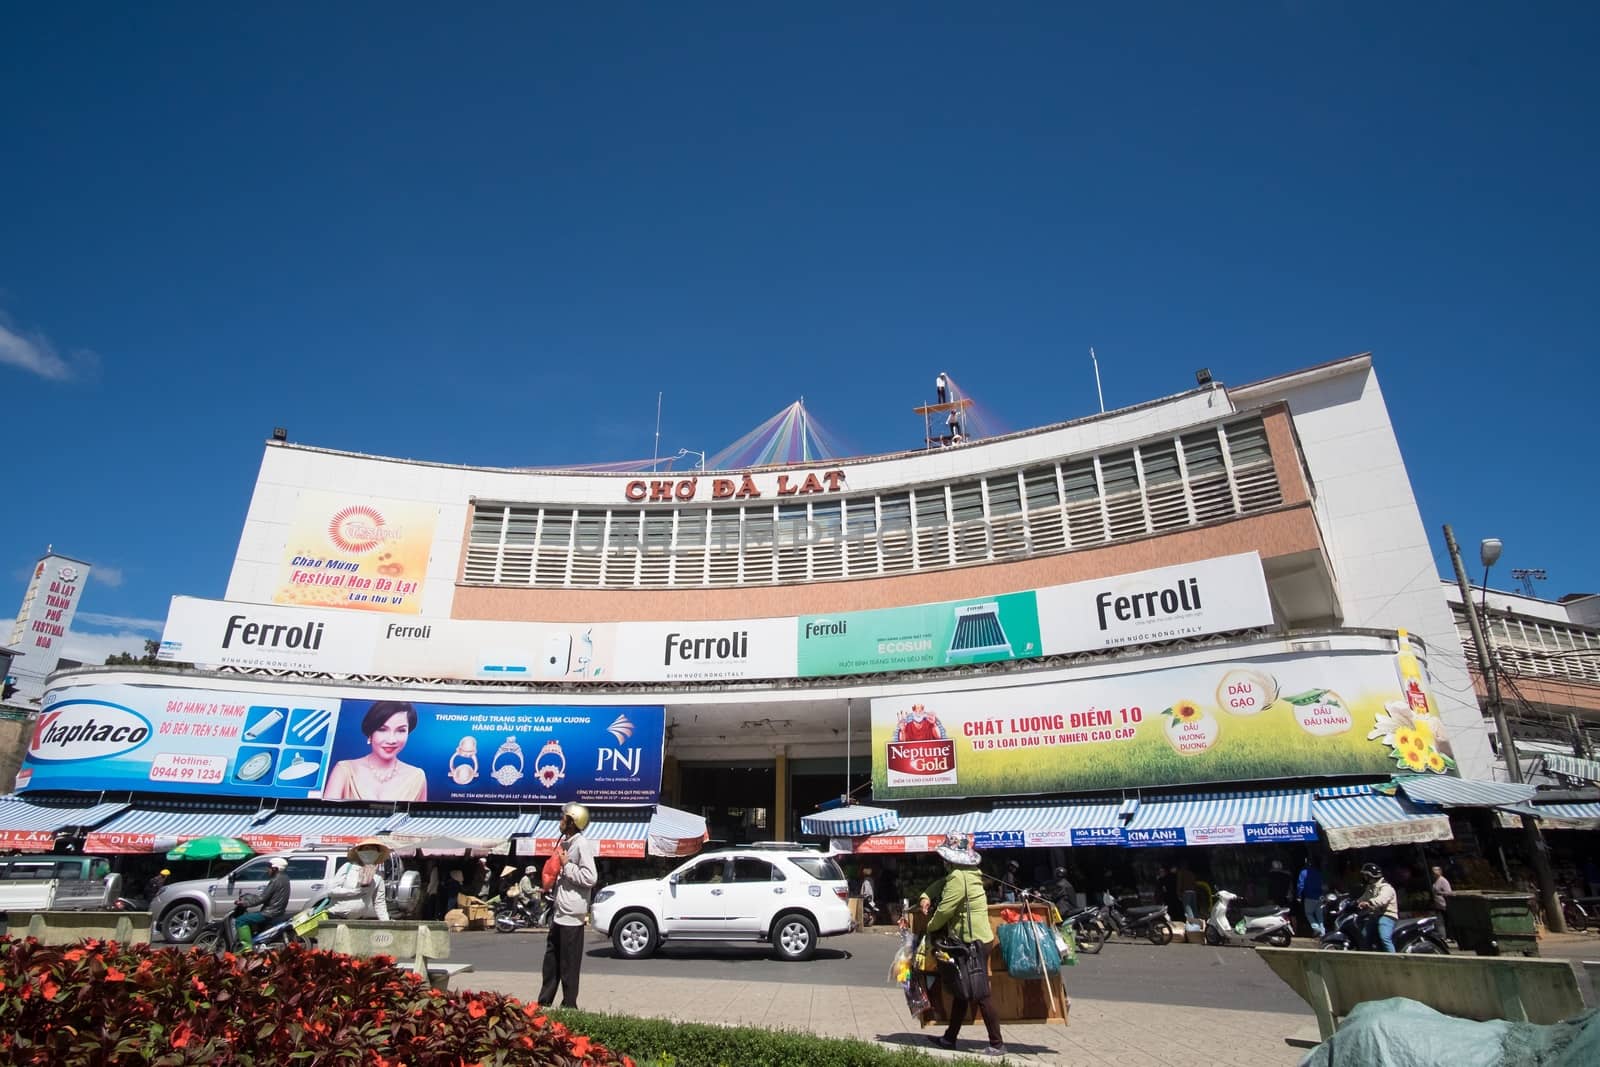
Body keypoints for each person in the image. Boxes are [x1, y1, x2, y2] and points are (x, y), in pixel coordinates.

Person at [925, 833, 1003, 1058]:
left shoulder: (958, 878)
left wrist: (930, 927)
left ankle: (997, 1044)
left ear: (951, 859)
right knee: (962, 991)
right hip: (975, 939)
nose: (943, 862)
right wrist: (925, 895)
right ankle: (950, 1038)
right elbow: (941, 884)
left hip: (972, 942)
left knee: (980, 994)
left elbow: (945, 910)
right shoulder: (966, 874)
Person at [538, 802, 598, 1010]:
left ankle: (569, 1005)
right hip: (559, 912)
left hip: (572, 915)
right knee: (551, 960)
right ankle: (544, 1001)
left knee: (569, 965)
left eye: (564, 818)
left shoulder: (581, 844)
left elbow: (590, 877)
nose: (560, 821)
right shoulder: (566, 843)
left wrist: (567, 866)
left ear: (572, 822)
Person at [323, 701, 428, 802]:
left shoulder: (416, 777)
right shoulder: (344, 770)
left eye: (401, 730)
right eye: (382, 729)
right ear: (370, 733)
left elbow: (421, 820)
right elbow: (325, 817)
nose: (391, 740)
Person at [235, 857, 291, 942]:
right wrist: (249, 897)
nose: (267, 870)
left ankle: (246, 947)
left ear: (275, 869)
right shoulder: (285, 878)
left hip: (269, 913)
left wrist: (244, 903)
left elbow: (262, 898)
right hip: (277, 911)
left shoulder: (275, 880)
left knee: (240, 920)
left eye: (269, 868)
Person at [329, 848, 389, 920]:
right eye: (365, 849)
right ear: (358, 852)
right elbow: (331, 891)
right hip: (335, 917)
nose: (369, 853)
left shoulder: (378, 877)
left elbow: (379, 903)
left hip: (357, 920)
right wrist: (355, 891)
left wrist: (386, 922)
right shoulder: (347, 867)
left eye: (373, 849)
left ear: (378, 853)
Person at [1356, 862, 1398, 952]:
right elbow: (1364, 897)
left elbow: (1382, 900)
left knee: (1384, 937)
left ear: (1370, 876)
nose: (1364, 877)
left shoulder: (1386, 887)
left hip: (1387, 915)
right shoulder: (1370, 887)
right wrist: (1356, 902)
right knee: (1364, 936)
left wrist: (1369, 903)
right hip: (1375, 915)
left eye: (1365, 875)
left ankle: (1393, 960)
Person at [1297, 858, 1325, 937]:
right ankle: (1323, 933)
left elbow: (1300, 885)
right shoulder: (1319, 872)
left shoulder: (1303, 872)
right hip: (1320, 897)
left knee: (1309, 913)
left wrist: (1299, 895)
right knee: (1320, 916)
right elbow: (1323, 885)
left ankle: (1317, 929)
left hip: (1309, 896)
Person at [1430, 865, 1453, 939]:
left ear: (1440, 871)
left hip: (1444, 905)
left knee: (1444, 922)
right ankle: (1443, 937)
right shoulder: (1435, 880)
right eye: (1433, 871)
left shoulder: (1443, 880)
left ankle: (1447, 937)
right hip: (1438, 905)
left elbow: (1449, 892)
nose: (1435, 873)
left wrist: (1439, 893)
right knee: (1440, 922)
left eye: (1436, 870)